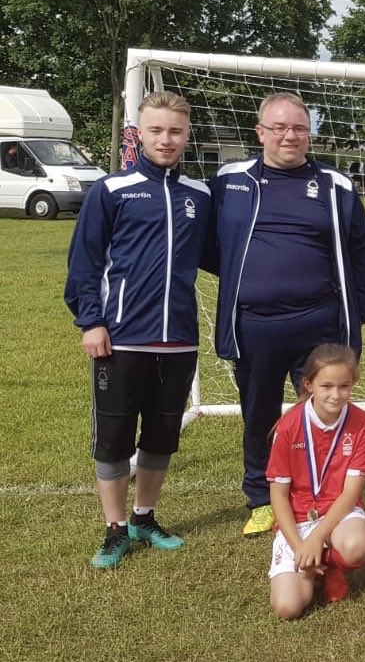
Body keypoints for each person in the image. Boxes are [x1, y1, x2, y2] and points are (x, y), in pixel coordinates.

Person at [207, 92, 365, 538]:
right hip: (255, 324)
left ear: (309, 134)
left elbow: (358, 247)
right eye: (279, 127)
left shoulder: (335, 184)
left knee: (326, 409)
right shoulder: (229, 180)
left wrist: (358, 304)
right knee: (258, 413)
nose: (289, 136)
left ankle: (329, 493)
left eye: (298, 128)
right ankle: (261, 497)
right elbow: (206, 242)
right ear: (259, 132)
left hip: (320, 322)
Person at [64, 91, 211, 569]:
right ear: (140, 133)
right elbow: (84, 263)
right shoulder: (111, 190)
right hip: (121, 337)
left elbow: (221, 257)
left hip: (179, 338)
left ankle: (144, 517)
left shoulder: (199, 195)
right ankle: (114, 528)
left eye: (175, 131)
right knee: (114, 436)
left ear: (187, 135)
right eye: (156, 130)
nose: (166, 139)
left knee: (163, 434)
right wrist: (91, 320)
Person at [266, 344, 365, 619]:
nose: (336, 395)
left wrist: (317, 538)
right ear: (308, 384)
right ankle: (317, 563)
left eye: (344, 386)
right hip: (297, 519)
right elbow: (278, 496)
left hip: (339, 513)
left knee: (356, 547)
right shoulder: (288, 426)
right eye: (326, 386)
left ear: (354, 383)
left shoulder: (361, 423)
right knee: (288, 608)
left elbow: (351, 493)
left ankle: (331, 564)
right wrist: (301, 546)